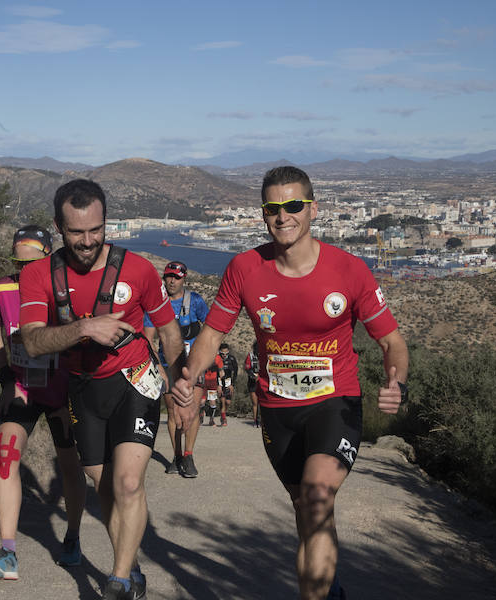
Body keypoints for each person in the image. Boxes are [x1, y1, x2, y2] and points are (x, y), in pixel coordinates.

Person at [172, 166, 409, 600]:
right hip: (277, 410)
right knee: (305, 508)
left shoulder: (349, 270)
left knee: (318, 497)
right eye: (273, 208)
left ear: (313, 209)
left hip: (335, 402)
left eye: (294, 205)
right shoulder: (245, 268)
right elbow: (211, 335)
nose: (284, 216)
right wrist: (189, 378)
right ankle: (329, 588)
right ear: (263, 214)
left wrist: (398, 381)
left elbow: (392, 341)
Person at [18, 179, 185, 600]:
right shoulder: (39, 275)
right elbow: (33, 342)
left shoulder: (139, 269)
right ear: (59, 226)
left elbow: (168, 330)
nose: (88, 241)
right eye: (77, 232)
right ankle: (129, 563)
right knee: (105, 488)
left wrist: (180, 384)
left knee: (128, 483)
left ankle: (119, 581)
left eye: (97, 230)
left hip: (135, 381)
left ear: (106, 222)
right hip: (83, 388)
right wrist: (85, 328)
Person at [0, 225, 87, 581]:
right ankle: (7, 553)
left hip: (61, 391)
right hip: (21, 387)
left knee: (70, 464)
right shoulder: (1, 289)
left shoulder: (64, 289)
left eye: (32, 264)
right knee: (7, 456)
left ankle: (71, 538)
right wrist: (6, 377)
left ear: (49, 257)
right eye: (17, 264)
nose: (25, 273)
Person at [142, 261, 209, 477]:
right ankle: (177, 455)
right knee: (172, 411)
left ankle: (188, 455)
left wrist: (204, 356)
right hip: (168, 366)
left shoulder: (195, 301)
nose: (171, 281)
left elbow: (210, 330)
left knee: (193, 407)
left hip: (193, 365)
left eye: (176, 277)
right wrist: (159, 368)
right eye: (168, 276)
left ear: (184, 279)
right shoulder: (156, 304)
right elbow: (149, 339)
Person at [197, 353, 224, 426]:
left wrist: (220, 385)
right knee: (201, 402)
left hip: (213, 382)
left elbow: (221, 372)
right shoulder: (203, 355)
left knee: (212, 402)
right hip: (203, 382)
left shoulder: (218, 357)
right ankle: (200, 416)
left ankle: (211, 420)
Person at [217, 342, 238, 426]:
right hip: (219, 382)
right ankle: (224, 419)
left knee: (228, 402)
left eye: (226, 353)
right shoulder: (216, 358)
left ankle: (223, 414)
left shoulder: (232, 359)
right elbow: (214, 372)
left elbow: (235, 372)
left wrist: (232, 384)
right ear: (220, 352)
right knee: (222, 401)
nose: (224, 355)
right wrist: (217, 385)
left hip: (229, 382)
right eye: (222, 353)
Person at [244, 341, 260, 427]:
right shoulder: (250, 356)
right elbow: (247, 368)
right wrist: (254, 376)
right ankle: (255, 420)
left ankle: (263, 421)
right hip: (252, 382)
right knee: (255, 402)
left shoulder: (265, 355)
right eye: (257, 348)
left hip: (263, 382)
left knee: (264, 403)